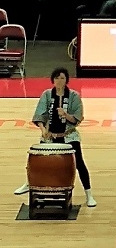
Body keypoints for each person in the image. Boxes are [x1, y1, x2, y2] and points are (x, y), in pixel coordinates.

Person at [14, 67, 97, 207]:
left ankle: (89, 195)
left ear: (66, 80)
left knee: (79, 163)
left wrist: (65, 115)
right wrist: (42, 129)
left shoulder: (74, 96)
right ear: (53, 80)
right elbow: (40, 114)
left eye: (62, 78)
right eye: (57, 78)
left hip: (69, 135)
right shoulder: (47, 95)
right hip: (50, 135)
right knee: (37, 160)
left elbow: (77, 118)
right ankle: (29, 183)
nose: (59, 81)